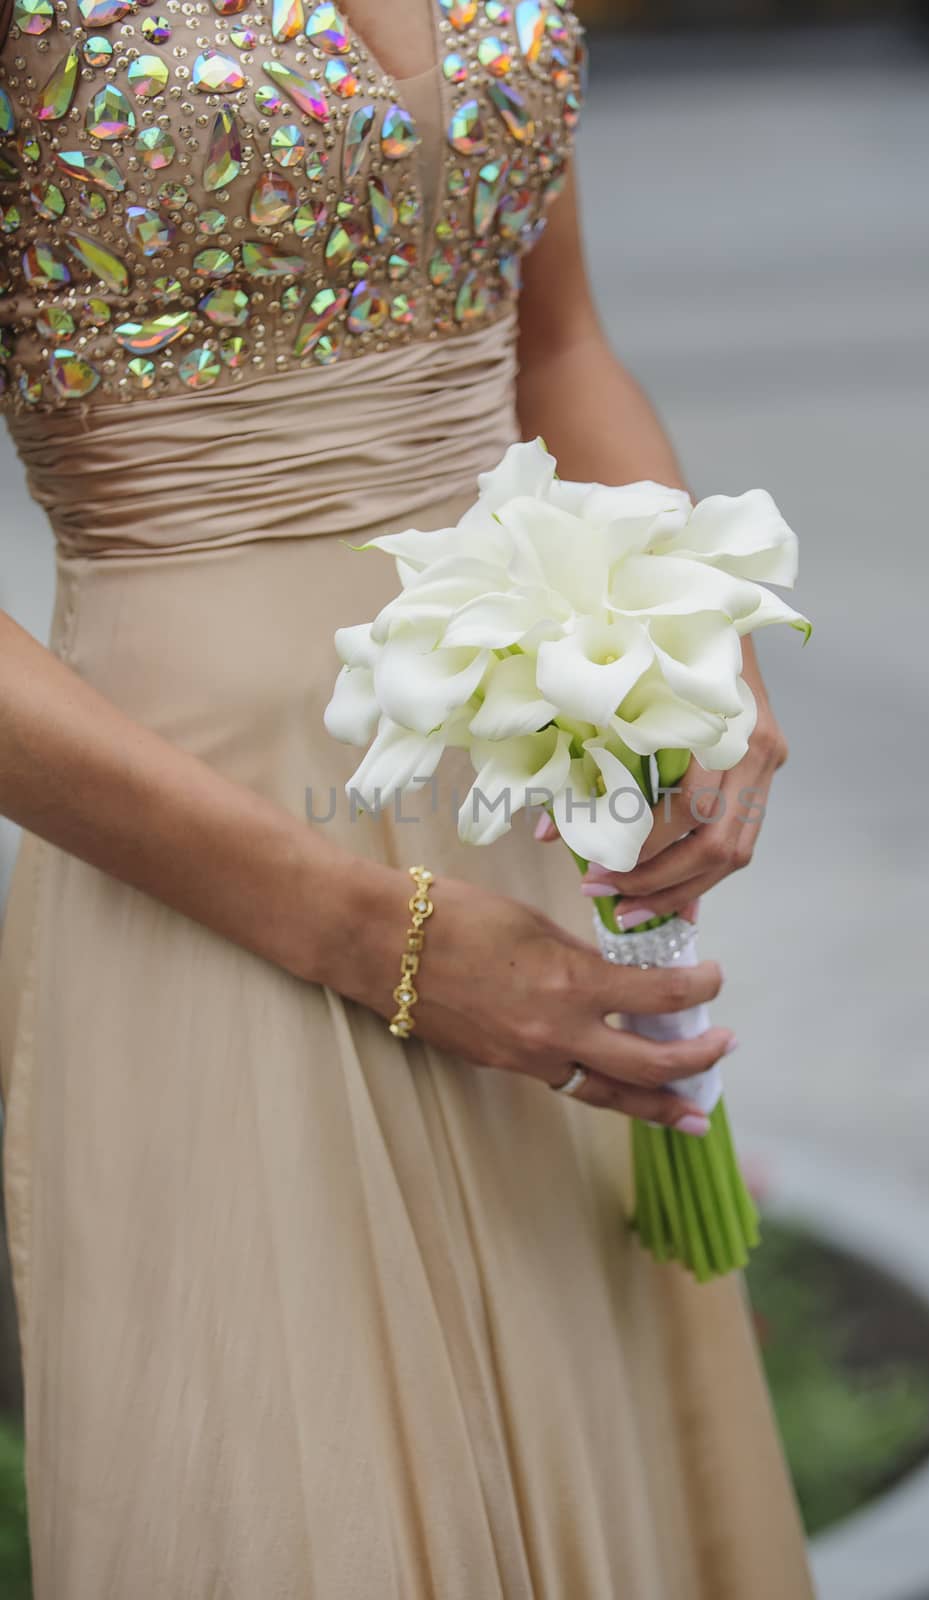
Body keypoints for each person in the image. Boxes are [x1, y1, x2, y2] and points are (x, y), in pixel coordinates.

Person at [0, 0, 813, 1593]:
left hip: (519, 787)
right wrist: (379, 938)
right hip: (212, 849)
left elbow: (549, 341)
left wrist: (687, 628)